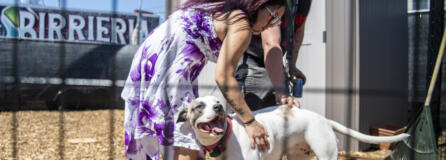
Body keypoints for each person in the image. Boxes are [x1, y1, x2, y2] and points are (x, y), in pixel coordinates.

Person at [121, 0, 296, 159]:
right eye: (273, 16)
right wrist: (250, 122)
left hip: (156, 51)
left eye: (276, 21)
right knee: (179, 127)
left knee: (176, 124)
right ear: (259, 5)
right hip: (172, 59)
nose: (271, 25)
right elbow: (223, 77)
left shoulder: (228, 10)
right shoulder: (241, 25)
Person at [235, 0, 311, 111]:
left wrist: (292, 64)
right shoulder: (271, 6)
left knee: (277, 123)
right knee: (249, 122)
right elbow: (270, 44)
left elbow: (299, 28)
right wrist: (281, 91)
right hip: (252, 65)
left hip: (276, 65)